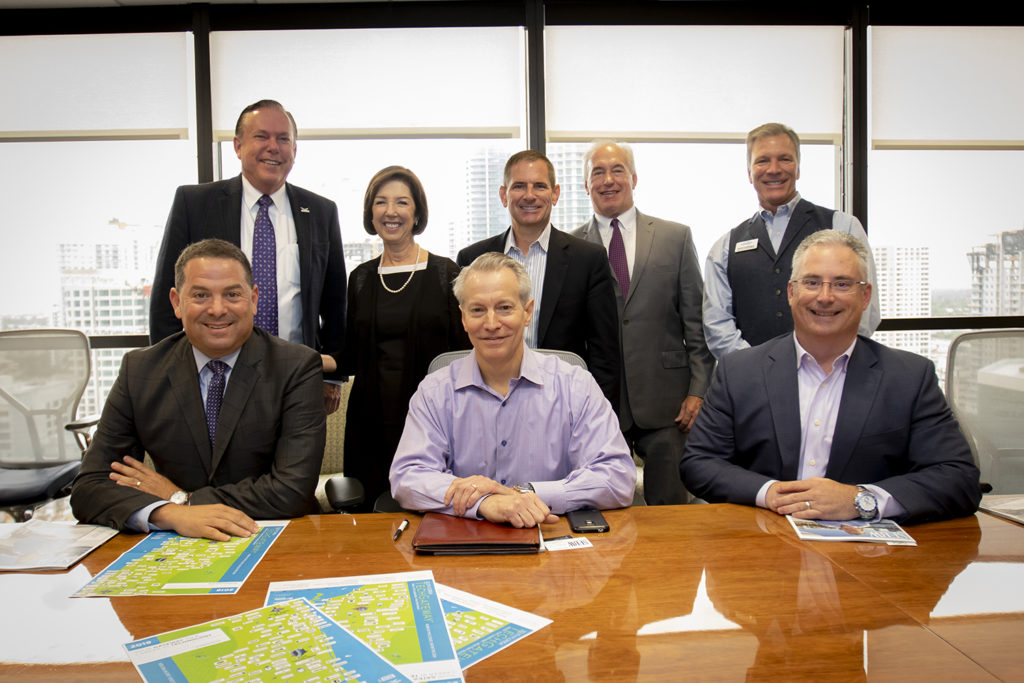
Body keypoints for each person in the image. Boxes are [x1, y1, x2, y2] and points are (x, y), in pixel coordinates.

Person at [681, 230, 981, 524]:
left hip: (872, 559)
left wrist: (860, 500)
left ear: (865, 296)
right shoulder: (739, 371)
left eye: (842, 284)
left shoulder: (910, 377)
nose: (825, 297)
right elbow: (700, 464)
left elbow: (958, 478)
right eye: (811, 282)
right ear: (791, 292)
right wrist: (770, 493)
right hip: (764, 545)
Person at [71, 239, 326, 540]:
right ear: (177, 303)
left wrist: (184, 497)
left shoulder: (295, 367)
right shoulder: (140, 370)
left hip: (275, 535)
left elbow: (291, 491)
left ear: (254, 299)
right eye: (201, 295)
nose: (217, 309)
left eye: (232, 294)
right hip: (173, 540)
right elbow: (89, 487)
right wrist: (172, 512)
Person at [389, 253, 636, 528]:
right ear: (462, 318)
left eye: (505, 308)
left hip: (553, 541)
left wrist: (525, 496)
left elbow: (618, 477)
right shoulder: (435, 391)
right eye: (478, 310)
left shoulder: (575, 385)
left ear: (527, 312)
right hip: (465, 544)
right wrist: (485, 503)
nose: (492, 324)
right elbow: (408, 477)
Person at [149, 99, 347, 414]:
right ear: (238, 146)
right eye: (262, 137)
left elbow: (337, 304)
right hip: (213, 377)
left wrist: (333, 377)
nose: (274, 147)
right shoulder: (195, 203)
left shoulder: (321, 212)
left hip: (294, 379)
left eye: (284, 139)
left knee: (293, 462)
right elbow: (165, 300)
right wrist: (168, 374)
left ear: (294, 151)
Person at [572, 141, 714, 505]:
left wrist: (699, 390)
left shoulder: (675, 237)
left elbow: (696, 322)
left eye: (617, 170)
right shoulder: (570, 246)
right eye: (597, 173)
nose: (608, 180)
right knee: (604, 507)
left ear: (633, 177)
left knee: (671, 511)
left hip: (668, 400)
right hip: (599, 402)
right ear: (586, 185)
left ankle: (671, 566)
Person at [342, 166, 470, 511]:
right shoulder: (361, 278)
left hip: (432, 419)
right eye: (381, 202)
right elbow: (349, 354)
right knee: (371, 519)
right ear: (371, 213)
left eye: (402, 202)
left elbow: (464, 355)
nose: (391, 211)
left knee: (434, 512)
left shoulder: (447, 273)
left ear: (416, 213)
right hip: (370, 421)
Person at [703, 122, 880, 360]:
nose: (773, 169)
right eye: (762, 160)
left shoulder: (843, 226)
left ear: (798, 169)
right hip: (753, 383)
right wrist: (758, 368)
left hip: (830, 376)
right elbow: (717, 326)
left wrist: (820, 363)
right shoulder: (724, 247)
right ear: (749, 172)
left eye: (784, 159)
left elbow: (866, 312)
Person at [456, 150, 620, 407]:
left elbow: (605, 354)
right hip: (488, 401)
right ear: (503, 195)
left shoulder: (588, 259)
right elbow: (464, 342)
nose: (529, 195)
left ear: (555, 194)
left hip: (565, 404)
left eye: (539, 186)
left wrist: (600, 414)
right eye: (519, 186)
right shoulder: (473, 258)